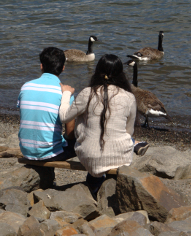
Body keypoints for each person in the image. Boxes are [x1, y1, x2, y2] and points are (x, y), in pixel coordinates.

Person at [59, 54, 147, 198]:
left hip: (88, 155)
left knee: (94, 152)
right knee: (127, 139)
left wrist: (66, 95)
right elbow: (128, 132)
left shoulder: (87, 93)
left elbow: (64, 117)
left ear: (97, 70)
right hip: (120, 157)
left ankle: (93, 189)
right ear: (121, 74)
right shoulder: (129, 97)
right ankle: (108, 192)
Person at [17, 48, 76, 186]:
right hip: (48, 153)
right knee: (77, 142)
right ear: (63, 68)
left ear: (41, 66)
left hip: (26, 149)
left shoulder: (25, 87)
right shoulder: (65, 93)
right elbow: (70, 133)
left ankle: (47, 180)